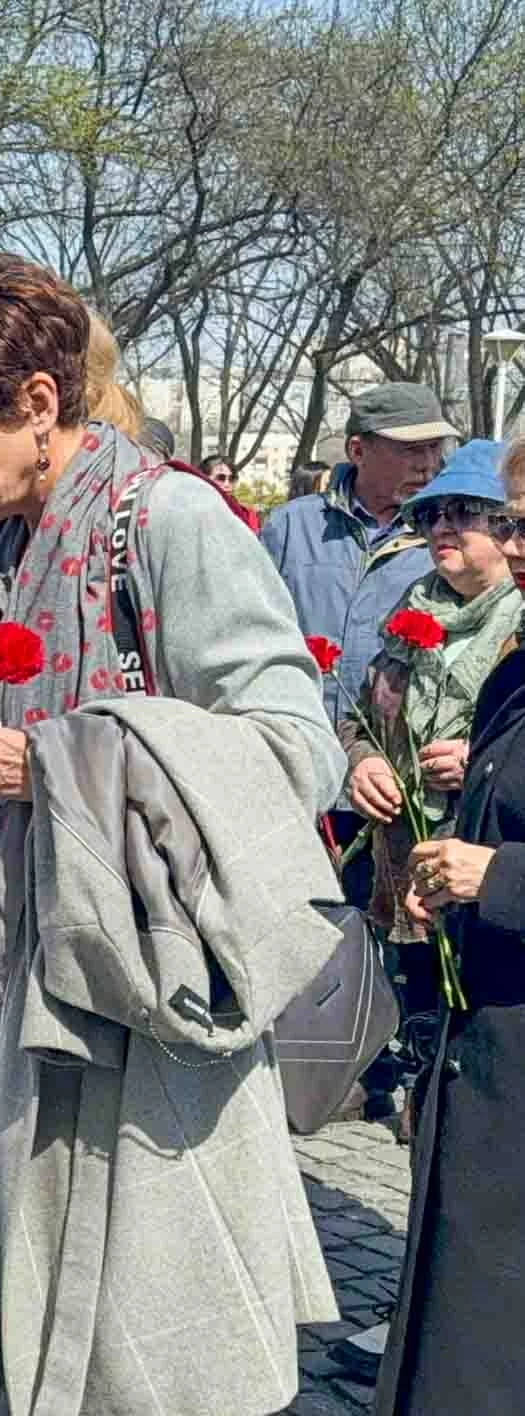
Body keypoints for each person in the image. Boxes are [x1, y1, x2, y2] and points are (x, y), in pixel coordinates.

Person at [0, 254, 342, 1416]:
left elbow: (297, 746)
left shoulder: (166, 519)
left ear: (39, 405)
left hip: (115, 986)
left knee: (103, 1313)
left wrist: (58, 763)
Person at [373, 438, 525, 1413]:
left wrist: (499, 877)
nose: (516, 549)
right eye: (518, 523)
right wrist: (448, 866)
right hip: (487, 1056)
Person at [344, 441, 522, 1093]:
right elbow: (358, 719)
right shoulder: (408, 614)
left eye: (464, 512)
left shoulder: (517, 625)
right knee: (424, 1067)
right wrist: (362, 762)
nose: (441, 527)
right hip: (405, 877)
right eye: (429, 515)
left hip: (492, 896)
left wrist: (482, 759)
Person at [261, 382, 451, 731]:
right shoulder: (290, 527)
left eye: (435, 448)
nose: (427, 465)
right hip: (298, 741)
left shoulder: (447, 536)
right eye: (410, 450)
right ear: (358, 451)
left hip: (390, 761)